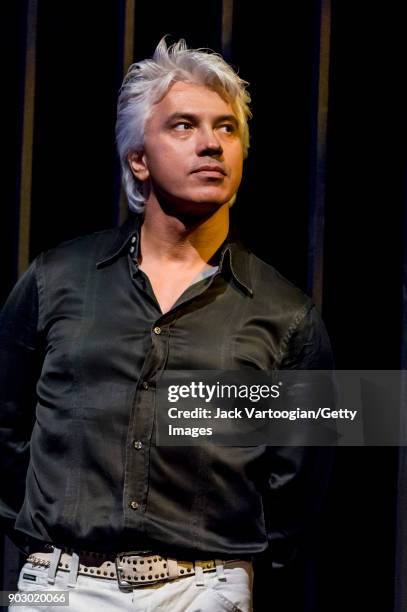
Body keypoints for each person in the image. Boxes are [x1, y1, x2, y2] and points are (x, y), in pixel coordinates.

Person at [0, 38, 334, 611]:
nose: (211, 144)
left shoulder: (286, 313)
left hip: (202, 588)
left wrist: (233, 570)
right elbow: (6, 426)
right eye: (184, 126)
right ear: (138, 158)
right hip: (61, 581)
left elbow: (304, 480)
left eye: (227, 129)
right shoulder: (57, 278)